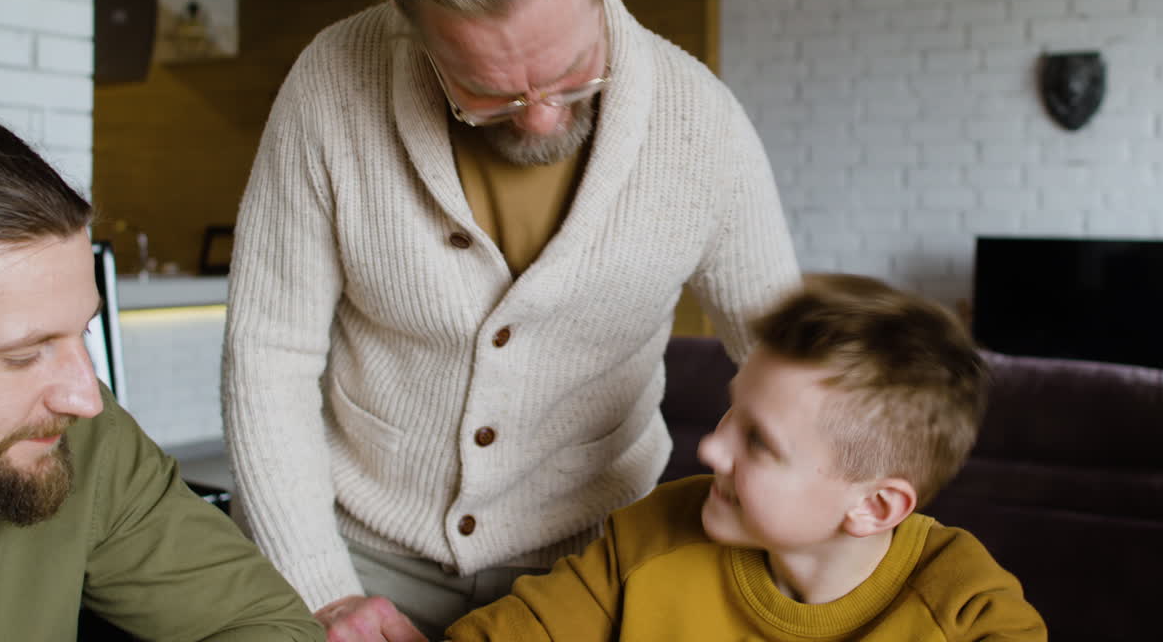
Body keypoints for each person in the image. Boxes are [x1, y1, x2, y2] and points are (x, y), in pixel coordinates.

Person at [222, 0, 800, 639]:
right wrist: (318, 585)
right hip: (354, 550)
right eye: (487, 92)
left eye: (572, 72)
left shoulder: (703, 125)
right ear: (411, 25)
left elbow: (793, 356)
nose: (542, 119)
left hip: (593, 564)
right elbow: (268, 354)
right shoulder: (332, 84)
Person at [444, 274, 1048, 641]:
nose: (709, 447)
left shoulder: (968, 610)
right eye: (732, 411)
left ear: (874, 504)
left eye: (759, 442)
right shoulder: (652, 536)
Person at [0, 118, 325, 641]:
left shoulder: (83, 443)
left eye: (85, 330)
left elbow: (269, 626)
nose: (87, 399)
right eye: (26, 355)